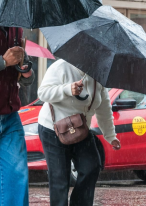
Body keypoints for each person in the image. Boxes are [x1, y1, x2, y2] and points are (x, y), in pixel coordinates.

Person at [38, 59, 121, 206]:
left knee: (92, 166)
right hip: (53, 128)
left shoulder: (98, 76)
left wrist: (110, 135)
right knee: (60, 177)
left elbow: (104, 108)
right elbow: (43, 93)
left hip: (80, 129)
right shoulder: (61, 66)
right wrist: (67, 89)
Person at [0, 27, 35, 206]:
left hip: (10, 115)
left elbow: (25, 79)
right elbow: (5, 63)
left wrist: (26, 69)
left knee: (16, 181)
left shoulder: (16, 28)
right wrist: (3, 61)